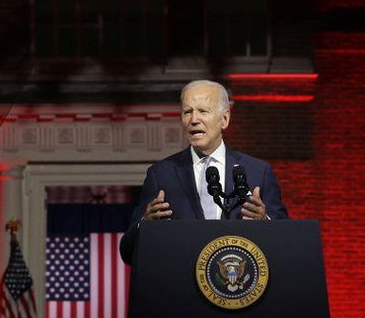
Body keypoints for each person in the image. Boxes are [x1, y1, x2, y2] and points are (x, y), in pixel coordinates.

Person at [119, 79, 288, 265]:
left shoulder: (258, 172)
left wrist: (265, 222)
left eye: (203, 111)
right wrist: (145, 224)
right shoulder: (161, 175)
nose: (193, 120)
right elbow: (128, 252)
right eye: (187, 112)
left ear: (224, 119)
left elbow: (286, 244)